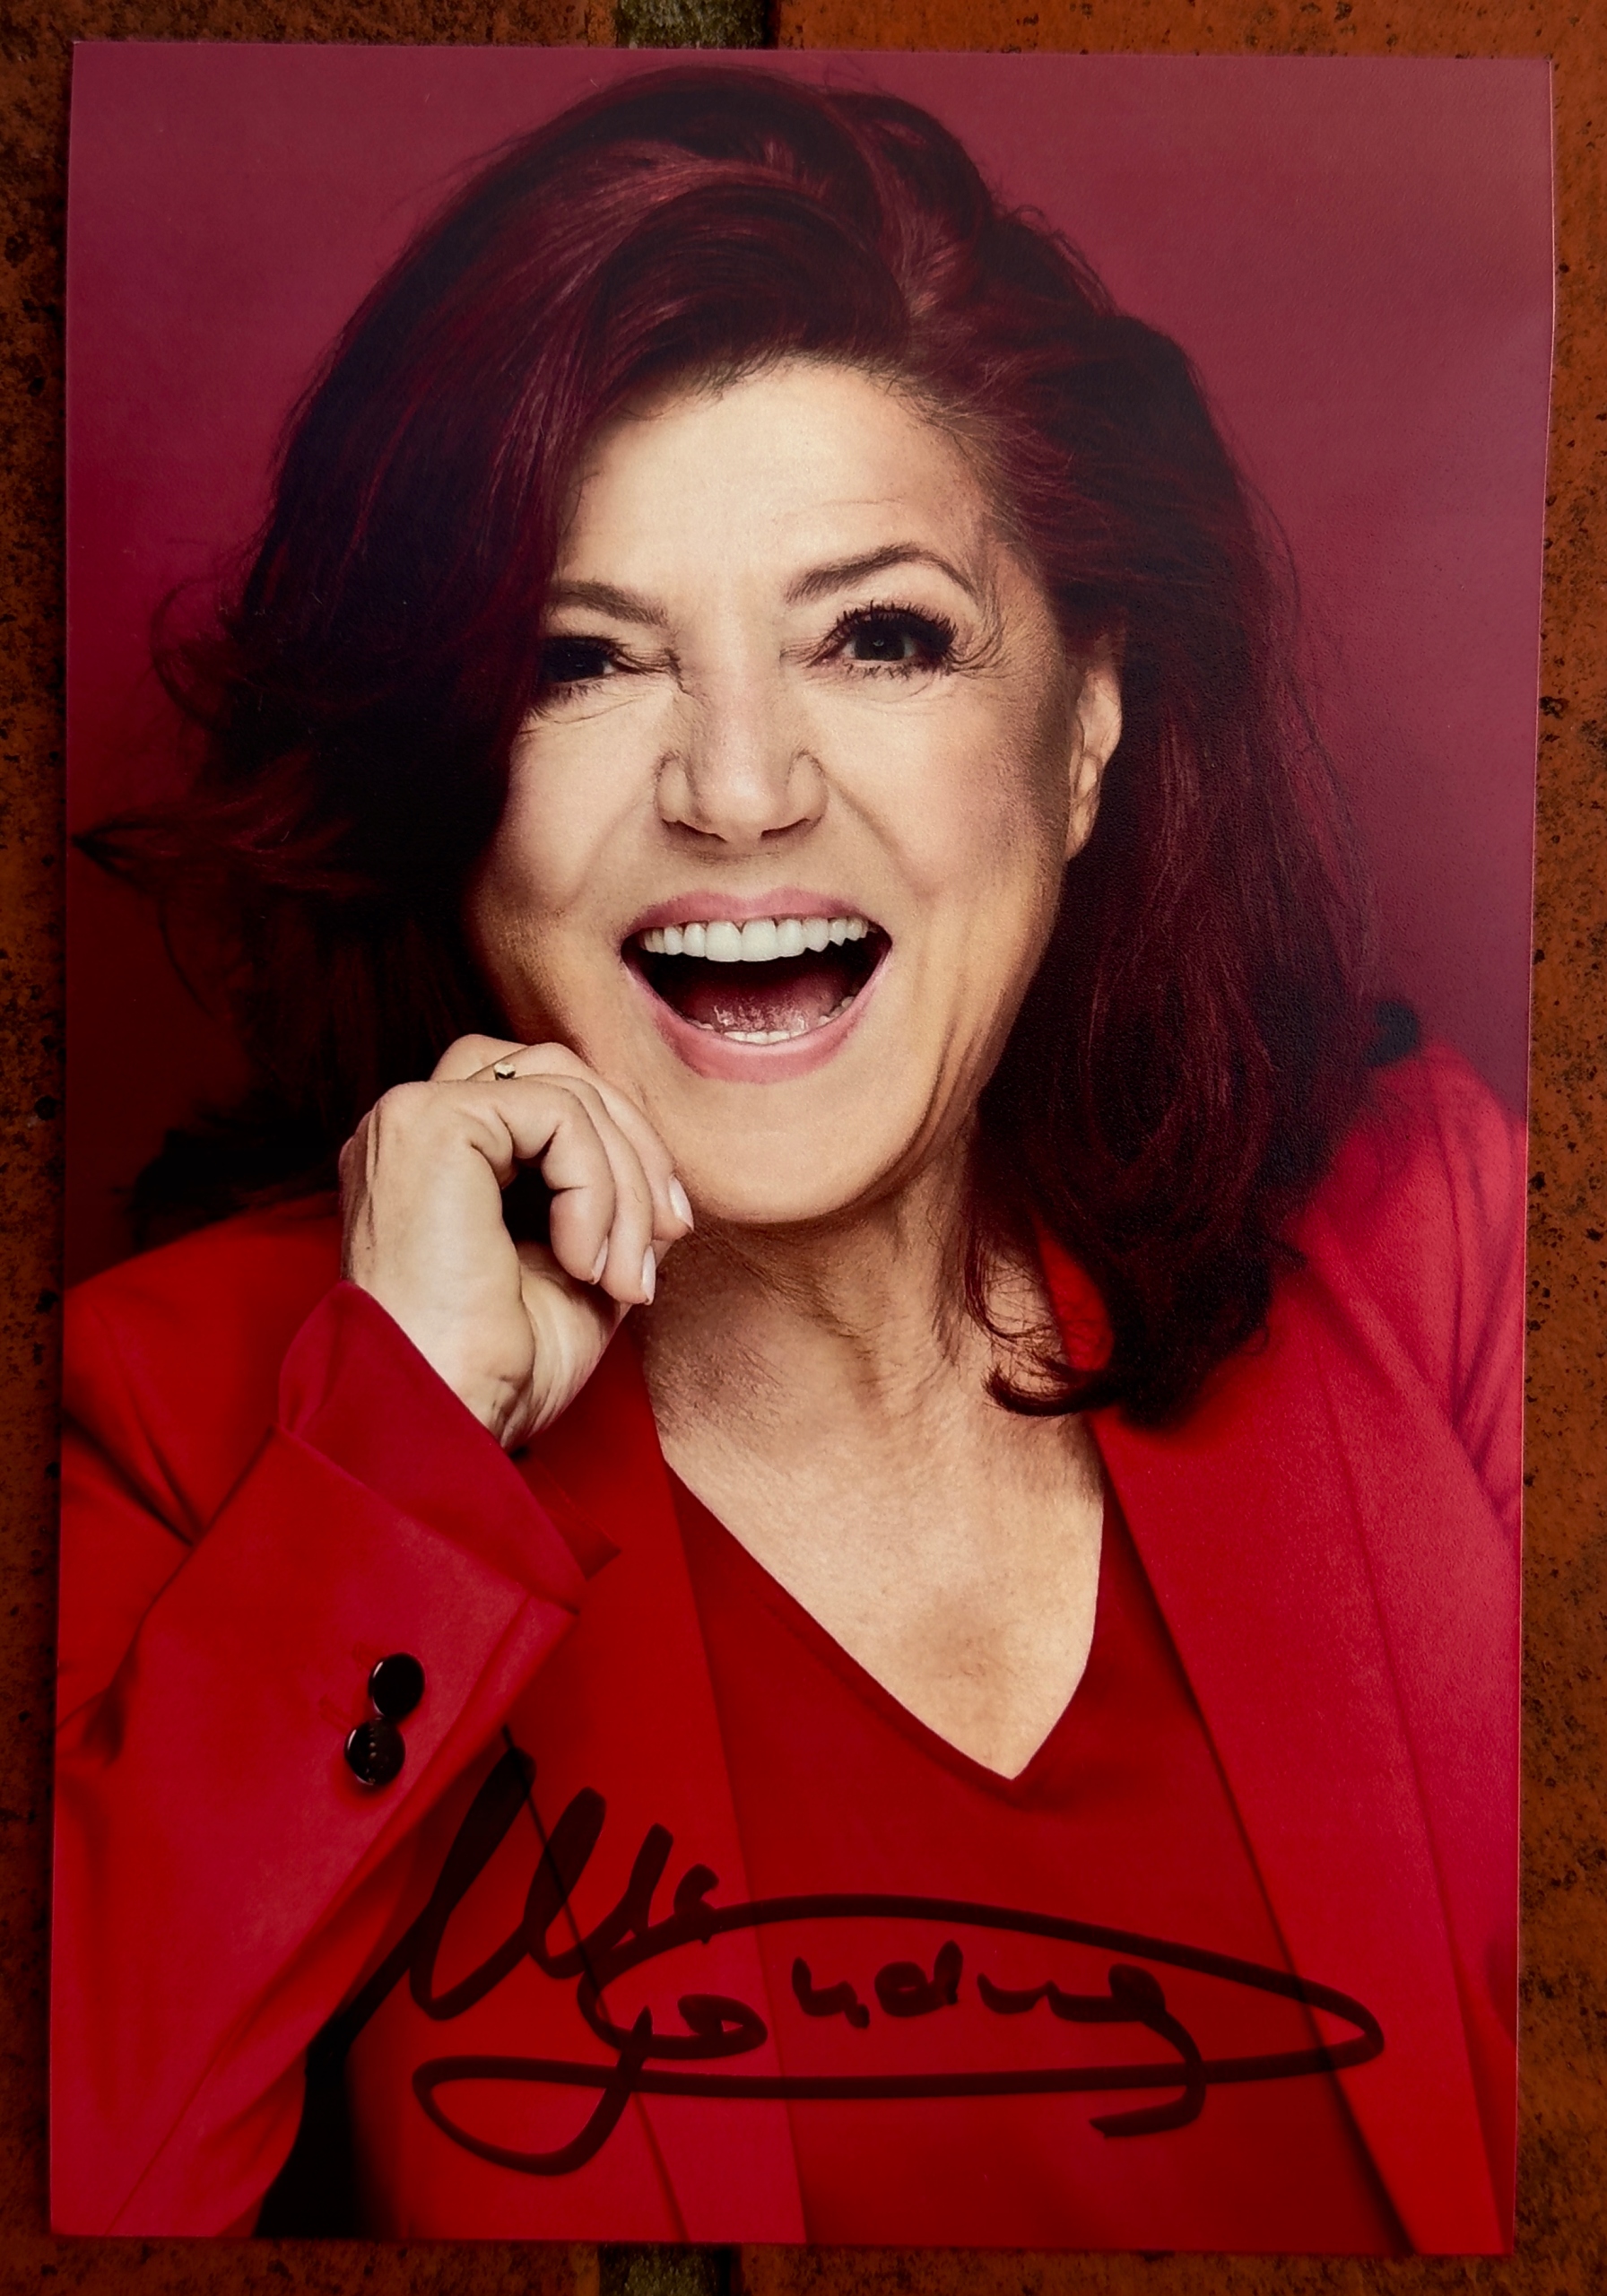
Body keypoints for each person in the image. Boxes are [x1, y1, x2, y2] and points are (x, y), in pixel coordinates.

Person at [52, 66, 1523, 2252]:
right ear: (441, 772)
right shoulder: (186, 1423)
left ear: (1084, 723)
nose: (735, 790)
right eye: (579, 660)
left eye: (878, 635)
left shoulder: (1439, 1252)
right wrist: (403, 1457)